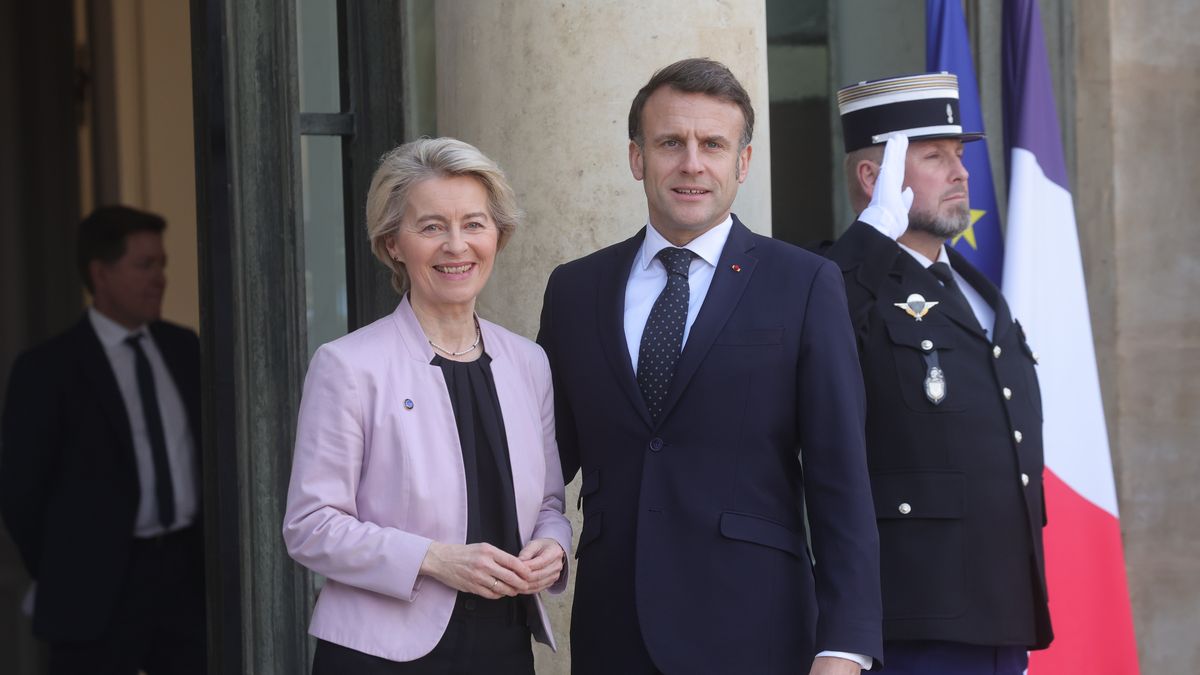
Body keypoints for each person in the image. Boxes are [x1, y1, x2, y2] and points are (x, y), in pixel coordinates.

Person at [538, 58, 883, 674]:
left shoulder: (804, 284)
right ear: (637, 158)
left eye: (713, 145)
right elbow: (541, 463)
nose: (691, 163)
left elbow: (841, 479)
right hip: (613, 634)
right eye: (671, 142)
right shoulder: (574, 290)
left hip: (757, 633)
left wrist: (844, 647)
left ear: (742, 163)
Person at [282, 137, 571, 674]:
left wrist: (552, 549)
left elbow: (549, 505)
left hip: (503, 648)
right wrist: (435, 559)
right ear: (393, 242)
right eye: (432, 226)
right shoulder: (348, 365)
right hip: (380, 654)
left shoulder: (528, 363)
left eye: (474, 224)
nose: (456, 246)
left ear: (498, 236)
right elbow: (310, 525)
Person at [823, 72, 1053, 675]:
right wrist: (871, 239)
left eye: (959, 156)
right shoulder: (842, 282)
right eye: (933, 157)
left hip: (1003, 613)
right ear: (874, 180)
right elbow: (813, 331)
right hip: (914, 616)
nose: (962, 173)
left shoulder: (976, 288)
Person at [0, 206, 205, 674]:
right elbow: (21, 496)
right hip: (93, 589)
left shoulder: (183, 349)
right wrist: (68, 566)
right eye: (144, 265)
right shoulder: (47, 370)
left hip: (184, 578)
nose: (160, 278)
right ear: (101, 274)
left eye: (162, 264)